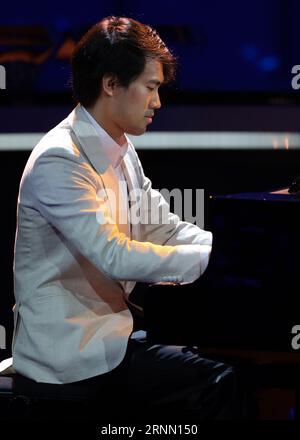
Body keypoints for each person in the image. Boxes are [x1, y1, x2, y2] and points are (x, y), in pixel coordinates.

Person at [12, 16, 243, 420]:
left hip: (111, 340)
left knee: (229, 366)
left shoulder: (119, 145)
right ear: (111, 83)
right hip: (70, 358)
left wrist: (229, 250)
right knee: (219, 380)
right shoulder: (59, 159)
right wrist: (215, 262)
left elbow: (163, 228)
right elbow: (113, 255)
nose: (157, 102)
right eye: (151, 88)